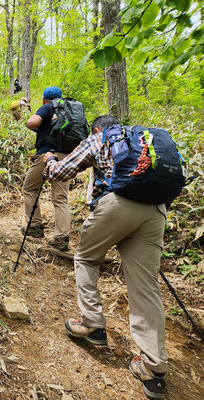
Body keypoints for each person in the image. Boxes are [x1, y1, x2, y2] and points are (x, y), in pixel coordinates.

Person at [43, 115, 168, 400]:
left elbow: (62, 171)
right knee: (146, 286)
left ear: (96, 128)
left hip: (117, 204)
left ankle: (92, 324)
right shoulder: (143, 139)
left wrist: (50, 160)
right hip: (155, 211)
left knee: (86, 259)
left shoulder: (99, 137)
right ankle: (153, 370)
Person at [21, 86, 71, 251]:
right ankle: (62, 238)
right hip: (66, 157)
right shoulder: (69, 109)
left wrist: (32, 123)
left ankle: (34, 226)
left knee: (29, 189)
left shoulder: (47, 106)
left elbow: (31, 123)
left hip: (46, 155)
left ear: (44, 98)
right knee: (61, 198)